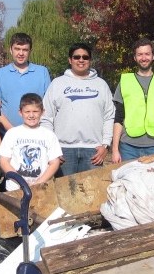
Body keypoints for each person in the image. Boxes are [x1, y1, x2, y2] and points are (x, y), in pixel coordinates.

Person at [41, 43, 115, 175]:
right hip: (63, 151)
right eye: (77, 57)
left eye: (85, 57)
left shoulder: (101, 85)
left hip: (94, 151)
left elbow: (109, 116)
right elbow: (46, 117)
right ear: (70, 60)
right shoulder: (57, 83)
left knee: (92, 194)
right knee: (64, 194)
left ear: (90, 60)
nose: (81, 60)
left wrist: (105, 145)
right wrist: (52, 148)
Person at [111, 38, 154, 163]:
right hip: (128, 147)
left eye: (147, 54)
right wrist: (115, 149)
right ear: (135, 57)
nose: (143, 58)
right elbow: (118, 118)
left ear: (153, 56)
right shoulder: (125, 82)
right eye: (140, 54)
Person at [0, 93, 62, 191]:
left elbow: (54, 162)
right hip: (15, 188)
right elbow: (3, 161)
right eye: (27, 111)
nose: (31, 115)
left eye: (35, 111)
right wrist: (20, 181)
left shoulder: (49, 135)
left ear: (42, 112)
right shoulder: (12, 133)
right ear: (20, 112)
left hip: (40, 189)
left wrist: (39, 183)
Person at [0, 32, 52, 134]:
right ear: (11, 50)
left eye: (25, 50)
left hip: (37, 132)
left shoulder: (42, 72)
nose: (21, 53)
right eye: (17, 49)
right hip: (7, 133)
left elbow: (48, 105)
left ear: (30, 51)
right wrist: (13, 131)